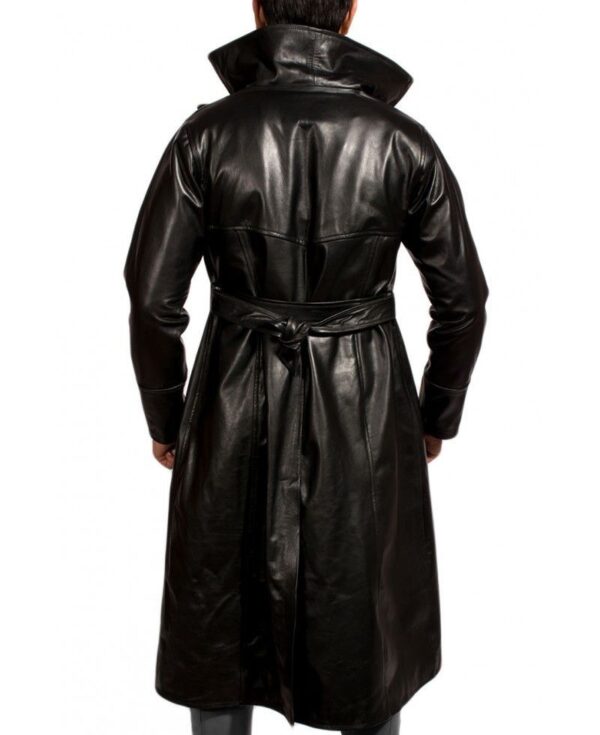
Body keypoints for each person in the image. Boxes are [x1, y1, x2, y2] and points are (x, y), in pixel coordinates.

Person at [123, 0, 489, 733]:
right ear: (349, 13)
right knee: (365, 621)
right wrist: (432, 416)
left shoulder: (206, 136)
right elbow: (464, 301)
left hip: (230, 398)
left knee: (220, 616)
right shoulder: (402, 141)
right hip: (366, 405)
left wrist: (169, 418)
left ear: (258, 9)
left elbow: (152, 297)